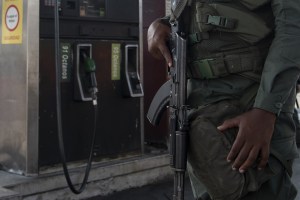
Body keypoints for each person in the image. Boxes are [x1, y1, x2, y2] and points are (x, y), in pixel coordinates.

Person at [147, 0, 300, 199]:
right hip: (200, 120)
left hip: (250, 115)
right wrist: (160, 25)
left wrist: (265, 110)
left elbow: (293, 29)